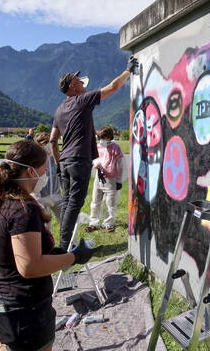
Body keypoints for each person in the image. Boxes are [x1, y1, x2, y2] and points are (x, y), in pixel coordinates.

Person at [0, 140, 103, 351]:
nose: (45, 176)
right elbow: (29, 267)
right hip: (25, 308)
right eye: (44, 170)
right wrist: (75, 257)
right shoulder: (24, 209)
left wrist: (49, 253)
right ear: (29, 171)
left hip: (1, 303)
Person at [50, 55, 138, 250]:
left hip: (64, 161)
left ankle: (68, 243)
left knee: (67, 203)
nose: (83, 83)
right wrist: (128, 71)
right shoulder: (82, 100)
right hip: (79, 159)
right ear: (72, 87)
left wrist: (58, 163)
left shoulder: (59, 109)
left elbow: (52, 140)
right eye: (78, 81)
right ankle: (65, 247)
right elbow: (113, 87)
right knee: (75, 203)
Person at [86, 126, 125, 233]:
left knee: (110, 203)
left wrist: (119, 180)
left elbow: (120, 166)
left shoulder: (116, 148)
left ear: (109, 137)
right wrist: (95, 163)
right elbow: (94, 158)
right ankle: (93, 222)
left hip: (111, 180)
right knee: (95, 202)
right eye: (100, 138)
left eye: (103, 138)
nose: (101, 140)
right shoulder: (98, 147)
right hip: (99, 178)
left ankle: (109, 223)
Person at [32, 132, 62, 226]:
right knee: (45, 225)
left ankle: (71, 241)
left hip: (57, 195)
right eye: (45, 143)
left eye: (49, 142)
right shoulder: (35, 160)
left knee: (65, 221)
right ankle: (46, 241)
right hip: (42, 197)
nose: (48, 145)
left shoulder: (56, 157)